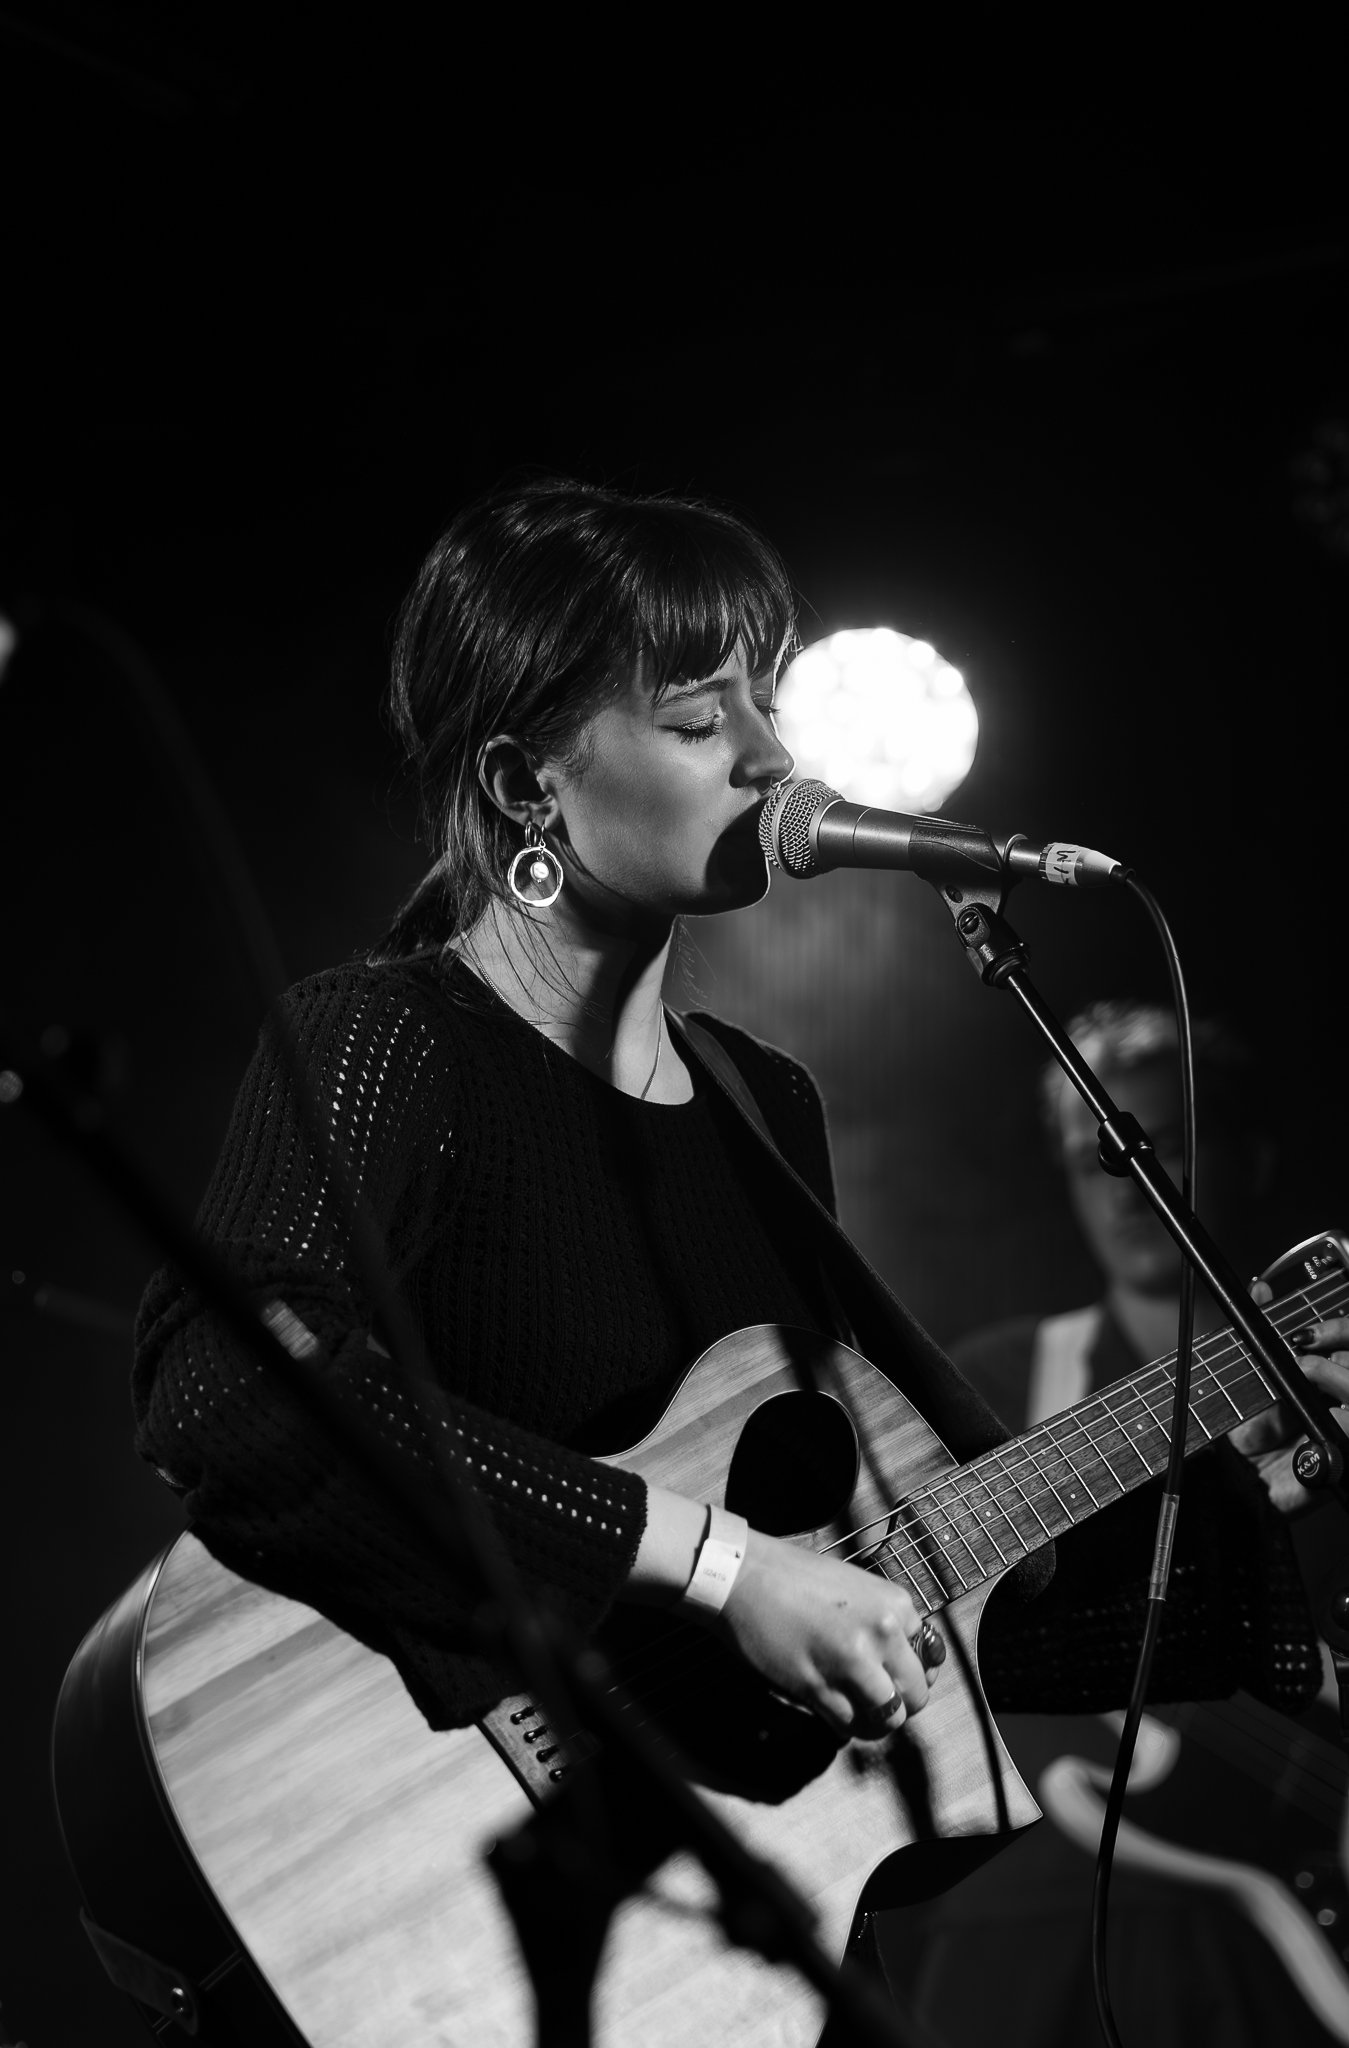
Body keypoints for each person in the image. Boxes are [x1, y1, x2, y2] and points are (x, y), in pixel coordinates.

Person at [131, 482, 1345, 2037]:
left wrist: (1250, 1469)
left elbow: (931, 1598)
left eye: (767, 698)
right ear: (524, 782)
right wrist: (718, 1564)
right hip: (425, 1878)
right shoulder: (391, 1039)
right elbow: (233, 1391)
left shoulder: (760, 1104)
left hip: (737, 1956)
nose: (774, 756)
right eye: (699, 720)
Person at [881, 999, 1349, 2047]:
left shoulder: (1331, 1388)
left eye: (1161, 1145)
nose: (1126, 1189)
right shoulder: (997, 1383)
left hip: (1286, 1924)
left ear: (1250, 1158)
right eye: (1089, 1159)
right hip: (1052, 1927)